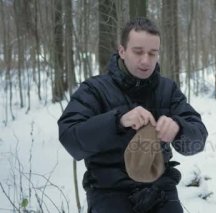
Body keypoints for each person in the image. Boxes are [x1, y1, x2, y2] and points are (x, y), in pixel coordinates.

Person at [57, 17, 208, 213]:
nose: (146, 60)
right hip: (109, 190)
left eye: (153, 53)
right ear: (122, 51)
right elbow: (70, 138)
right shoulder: (94, 89)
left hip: (161, 189)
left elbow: (198, 138)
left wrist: (179, 129)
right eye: (138, 52)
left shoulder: (167, 89)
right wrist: (117, 120)